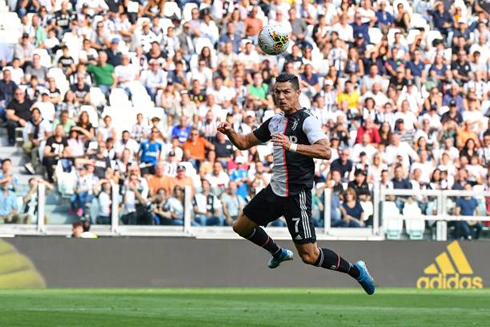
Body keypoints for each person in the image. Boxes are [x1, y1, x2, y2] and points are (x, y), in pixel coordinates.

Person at [217, 73, 375, 295]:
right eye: (277, 92)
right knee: (241, 226)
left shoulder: (307, 120)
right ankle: (278, 252)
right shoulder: (274, 122)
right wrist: (230, 132)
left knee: (310, 256)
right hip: (275, 191)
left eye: (286, 92)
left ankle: (356, 271)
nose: (281, 97)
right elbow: (244, 143)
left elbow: (325, 151)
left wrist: (292, 147)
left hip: (296, 194)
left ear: (298, 93)